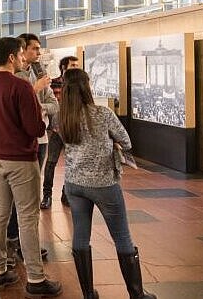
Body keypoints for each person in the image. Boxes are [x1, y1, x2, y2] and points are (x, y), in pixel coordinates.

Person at [0, 37, 62, 297]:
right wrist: (43, 125)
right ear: (12, 57)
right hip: (21, 160)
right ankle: (35, 277)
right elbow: (34, 127)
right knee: (27, 217)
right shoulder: (21, 87)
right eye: (21, 55)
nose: (24, 59)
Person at [60, 68, 156, 299]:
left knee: (80, 236)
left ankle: (88, 294)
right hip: (104, 184)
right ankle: (136, 294)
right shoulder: (102, 114)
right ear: (86, 86)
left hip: (74, 183)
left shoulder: (62, 117)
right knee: (122, 236)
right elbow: (126, 140)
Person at [40, 55, 79, 210]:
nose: (76, 67)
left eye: (77, 65)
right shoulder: (54, 83)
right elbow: (52, 106)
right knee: (51, 163)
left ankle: (66, 193)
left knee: (71, 164)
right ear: (64, 67)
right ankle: (47, 195)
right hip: (56, 130)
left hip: (72, 130)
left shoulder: (79, 85)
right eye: (73, 65)